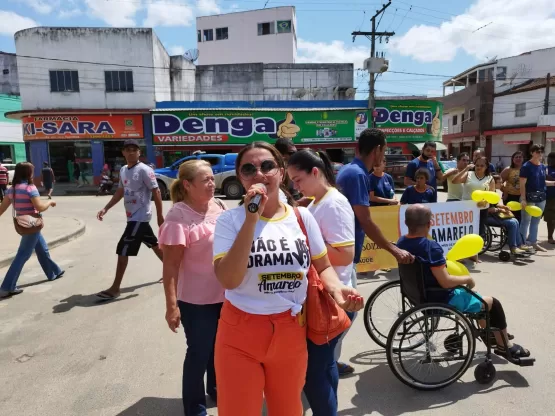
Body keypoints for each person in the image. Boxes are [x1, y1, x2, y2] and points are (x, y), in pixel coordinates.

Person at [212, 141, 364, 416]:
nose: (259, 173)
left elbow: (324, 266)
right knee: (238, 410)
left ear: (281, 172)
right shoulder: (229, 221)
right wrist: (250, 220)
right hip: (239, 333)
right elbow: (229, 280)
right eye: (249, 169)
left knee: (287, 410)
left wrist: (338, 290)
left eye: (267, 166)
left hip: (290, 331)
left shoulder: (302, 217)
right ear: (240, 178)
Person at [397, 204, 530, 359]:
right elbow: (446, 282)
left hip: (416, 293)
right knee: (493, 303)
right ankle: (504, 346)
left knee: (477, 298)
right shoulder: (430, 247)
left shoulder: (402, 242)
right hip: (439, 297)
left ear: (406, 223)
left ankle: (492, 334)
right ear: (429, 224)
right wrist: (468, 278)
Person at [287, 149, 357, 412]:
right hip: (319, 294)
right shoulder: (316, 201)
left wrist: (303, 249)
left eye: (298, 179)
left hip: (328, 297)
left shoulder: (333, 204)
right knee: (321, 369)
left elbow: (345, 254)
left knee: (317, 372)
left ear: (315, 172)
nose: (295, 186)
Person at [160, 160, 226, 416]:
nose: (212, 183)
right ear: (187, 185)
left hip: (225, 295)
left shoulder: (219, 205)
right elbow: (170, 267)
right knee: (199, 352)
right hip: (196, 302)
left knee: (219, 348)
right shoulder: (179, 216)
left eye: (212, 178)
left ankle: (216, 388)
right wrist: (171, 306)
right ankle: (195, 408)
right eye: (206, 180)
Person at [96, 139, 165, 300]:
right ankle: (177, 271)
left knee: (123, 249)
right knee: (154, 245)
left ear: (139, 152)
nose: (131, 152)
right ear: (123, 152)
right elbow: (120, 191)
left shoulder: (144, 170)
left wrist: (160, 215)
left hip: (140, 217)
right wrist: (106, 208)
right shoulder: (123, 170)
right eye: (128, 149)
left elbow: (156, 192)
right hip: (132, 217)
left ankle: (115, 288)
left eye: (134, 149)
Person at [336, 128, 414, 269]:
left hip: (344, 250)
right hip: (345, 256)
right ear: (377, 150)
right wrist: (395, 251)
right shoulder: (357, 174)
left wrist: (386, 242)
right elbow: (365, 221)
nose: (384, 156)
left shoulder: (349, 168)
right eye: (384, 151)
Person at [0, 162, 64, 298]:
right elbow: (40, 207)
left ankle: (54, 272)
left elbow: (1, 209)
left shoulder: (12, 189)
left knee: (42, 249)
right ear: (27, 173)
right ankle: (6, 287)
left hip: (23, 223)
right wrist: (50, 202)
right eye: (32, 171)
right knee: (23, 255)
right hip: (32, 224)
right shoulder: (30, 188)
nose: (33, 173)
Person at [520, 145, 555, 252]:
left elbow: (543, 182)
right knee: (526, 221)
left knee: (536, 221)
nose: (539, 153)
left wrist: (554, 183)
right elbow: (522, 184)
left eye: (541, 151)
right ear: (532, 152)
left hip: (541, 197)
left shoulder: (542, 167)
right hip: (529, 197)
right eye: (537, 151)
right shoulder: (526, 166)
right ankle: (522, 243)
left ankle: (533, 242)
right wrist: (523, 198)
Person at [274, 137, 301, 201]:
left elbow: (295, 196)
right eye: (292, 153)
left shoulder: (294, 168)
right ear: (280, 154)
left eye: (296, 153)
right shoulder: (272, 171)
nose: (295, 156)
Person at [500, 151, 524, 223]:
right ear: (512, 159)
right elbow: (498, 182)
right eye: (516, 157)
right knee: (509, 217)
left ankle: (518, 233)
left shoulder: (525, 169)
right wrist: (505, 191)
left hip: (521, 197)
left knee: (520, 218)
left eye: (520, 157)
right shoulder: (508, 169)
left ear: (523, 159)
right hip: (509, 197)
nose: (518, 159)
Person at [545, 152, 555, 245]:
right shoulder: (545, 168)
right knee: (551, 219)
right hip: (548, 198)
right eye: (550, 158)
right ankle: (550, 237)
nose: (551, 160)